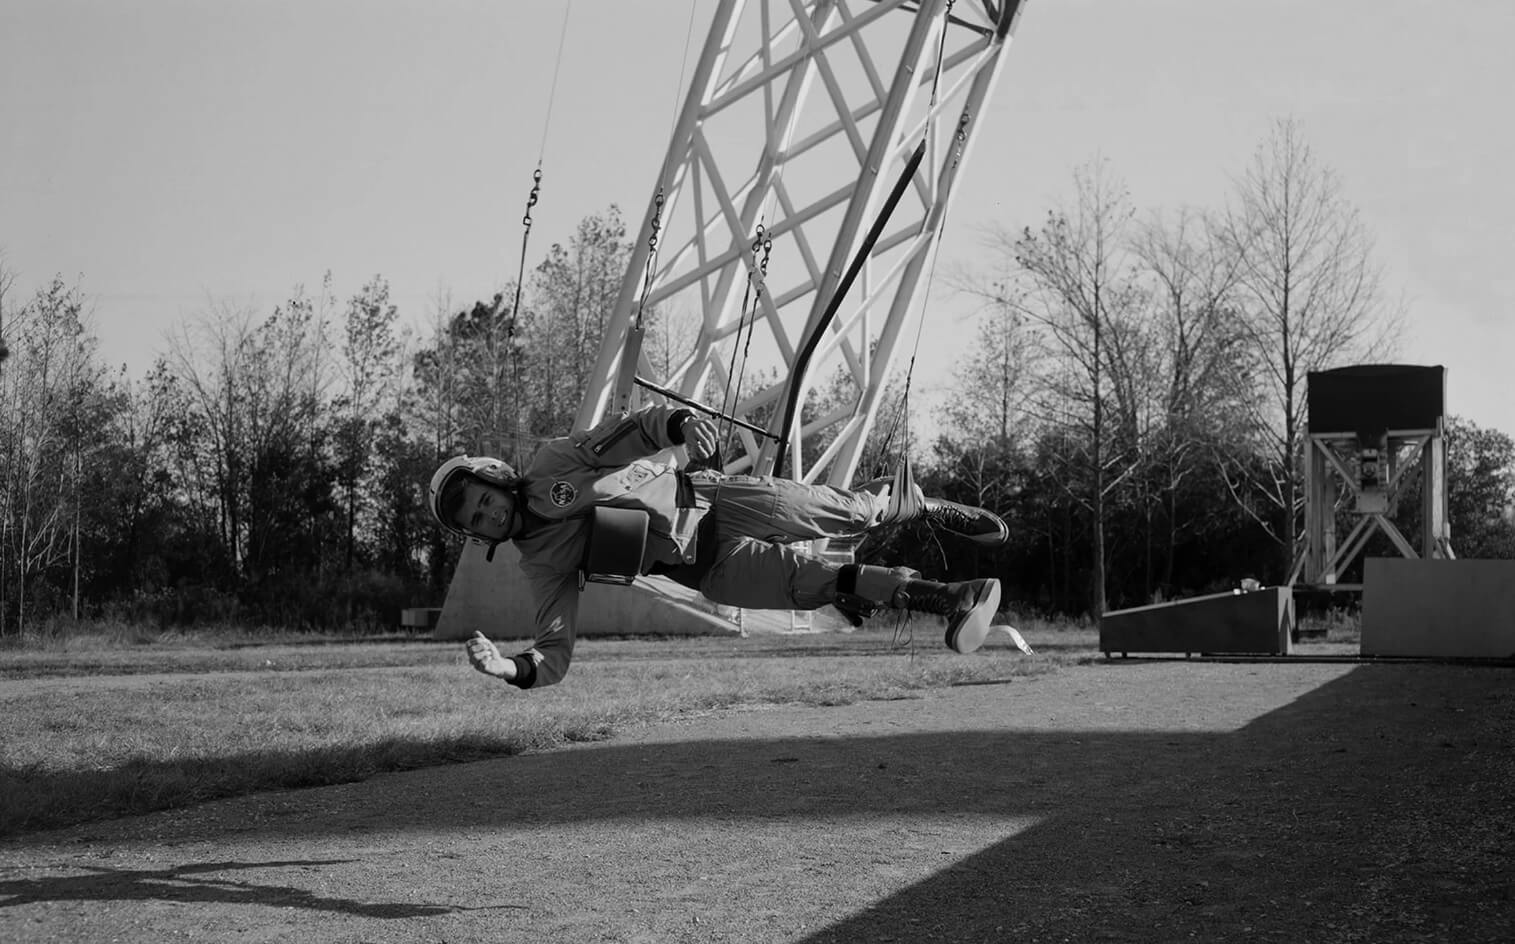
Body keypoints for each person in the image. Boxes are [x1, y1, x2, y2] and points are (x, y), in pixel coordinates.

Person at [428, 403, 1013, 690]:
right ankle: (954, 597)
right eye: (477, 519)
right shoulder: (542, 567)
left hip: (715, 502)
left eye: (483, 500)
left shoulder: (554, 462)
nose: (490, 513)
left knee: (846, 516)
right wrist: (505, 667)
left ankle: (914, 503)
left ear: (494, 477)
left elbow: (632, 430)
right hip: (704, 569)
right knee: (817, 587)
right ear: (477, 534)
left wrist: (680, 425)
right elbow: (552, 656)